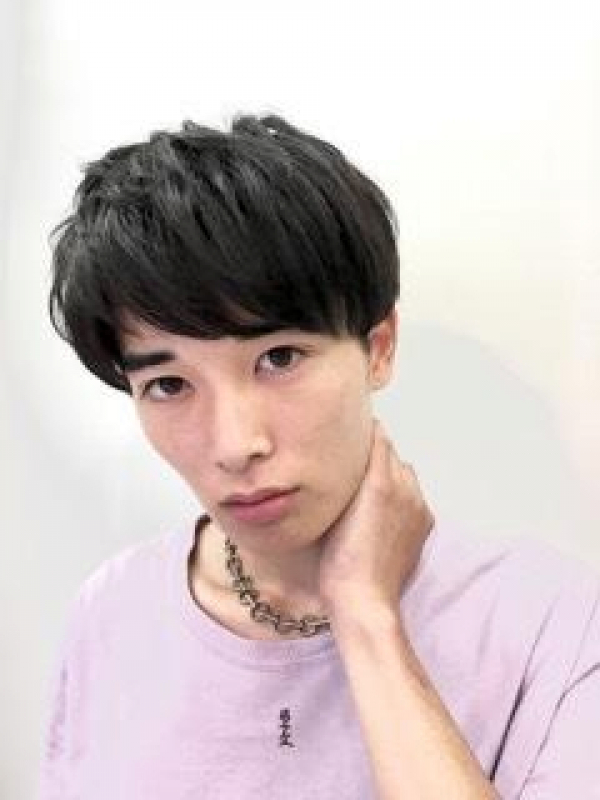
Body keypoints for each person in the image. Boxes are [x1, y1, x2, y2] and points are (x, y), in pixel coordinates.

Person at [39, 114, 599, 800]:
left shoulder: (555, 624)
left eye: (279, 358)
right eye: (169, 385)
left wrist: (365, 616)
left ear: (379, 348)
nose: (234, 444)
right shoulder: (111, 613)